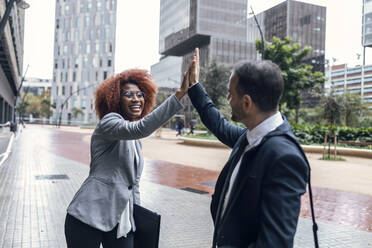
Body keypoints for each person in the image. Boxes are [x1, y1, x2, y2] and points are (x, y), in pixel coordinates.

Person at [186, 48, 313, 247]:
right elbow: (218, 125)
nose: (228, 100)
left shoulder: (284, 157)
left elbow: (275, 243)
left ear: (246, 103)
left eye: (230, 94)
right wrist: (194, 86)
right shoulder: (250, 137)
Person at [64, 69, 189, 248]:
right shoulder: (109, 122)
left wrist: (137, 217)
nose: (136, 99)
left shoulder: (135, 141)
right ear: (115, 99)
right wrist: (180, 94)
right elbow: (140, 128)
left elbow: (134, 186)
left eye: (140, 94)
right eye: (128, 95)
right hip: (87, 217)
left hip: (121, 221)